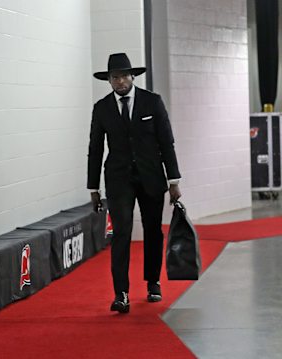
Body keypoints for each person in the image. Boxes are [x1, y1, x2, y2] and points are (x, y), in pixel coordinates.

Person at [87, 53, 181, 313]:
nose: (120, 81)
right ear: (109, 81)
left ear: (133, 77)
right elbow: (95, 149)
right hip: (118, 180)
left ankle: (153, 282)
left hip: (151, 177)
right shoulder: (102, 108)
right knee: (121, 233)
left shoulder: (152, 102)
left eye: (124, 76)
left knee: (153, 231)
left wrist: (174, 180)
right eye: (114, 77)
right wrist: (93, 188)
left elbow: (167, 143)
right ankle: (121, 294)